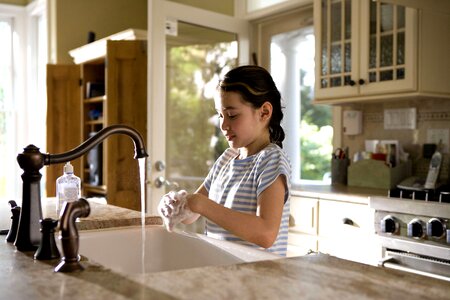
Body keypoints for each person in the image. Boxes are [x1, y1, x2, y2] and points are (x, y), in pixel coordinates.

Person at [160, 65, 291, 256]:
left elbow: (266, 233)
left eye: (231, 115)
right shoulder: (227, 159)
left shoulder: (270, 160)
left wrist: (201, 204)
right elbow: (192, 214)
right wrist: (177, 206)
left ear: (264, 112)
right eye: (220, 115)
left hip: (258, 278)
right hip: (224, 271)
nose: (223, 124)